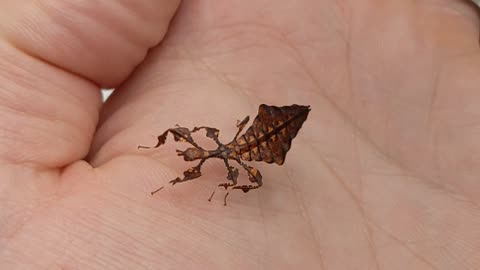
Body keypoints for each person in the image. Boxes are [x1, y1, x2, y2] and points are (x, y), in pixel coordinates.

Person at [1, 1, 479, 269]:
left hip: (255, 143)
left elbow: (242, 175)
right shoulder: (221, 154)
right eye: (190, 159)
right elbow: (212, 151)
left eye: (190, 162)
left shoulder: (235, 160)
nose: (192, 156)